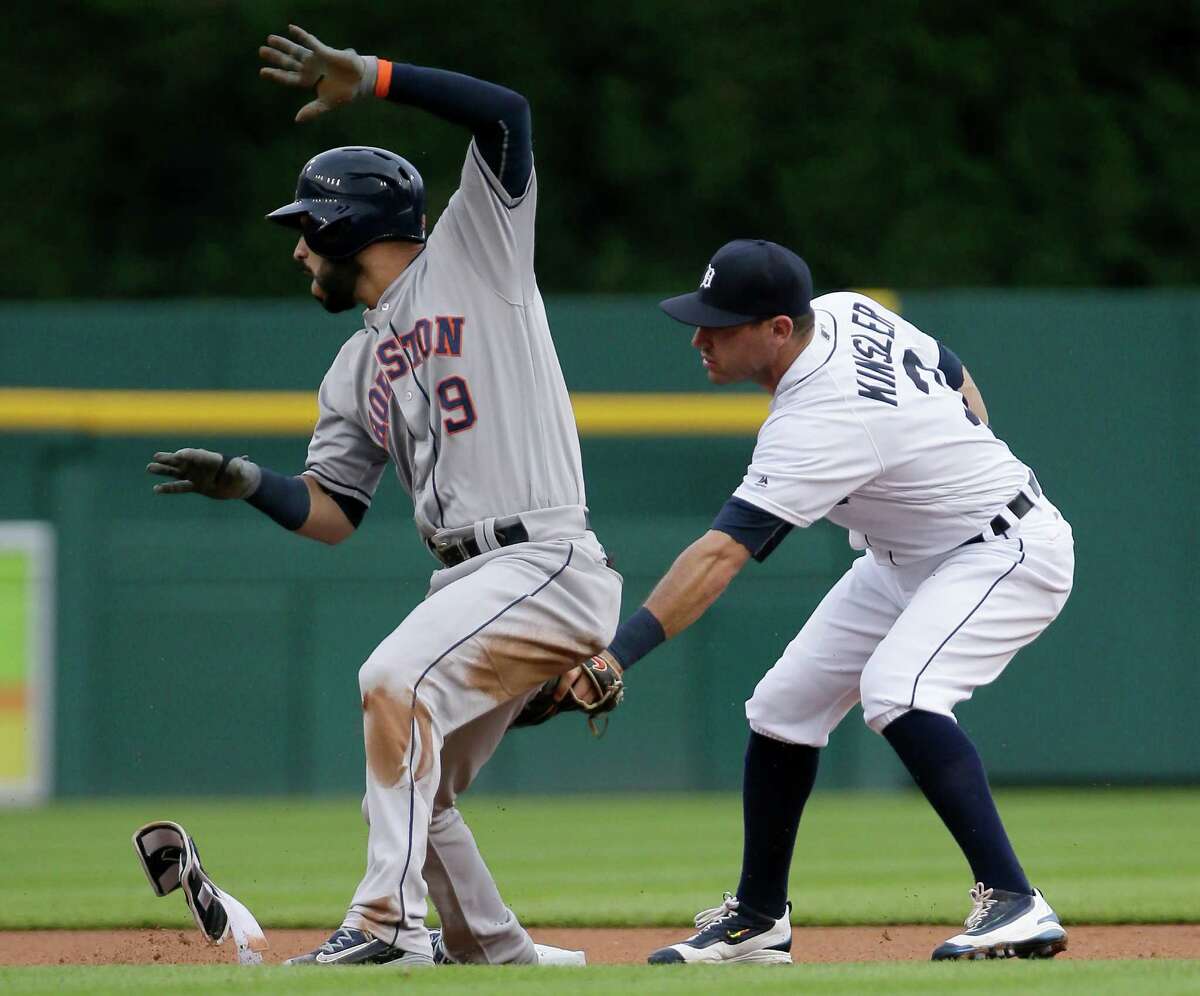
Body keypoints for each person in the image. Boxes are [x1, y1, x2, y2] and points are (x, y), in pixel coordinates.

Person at [146, 24, 621, 967]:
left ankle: (385, 925)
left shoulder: (476, 255)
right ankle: (496, 949)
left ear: (344, 228)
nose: (297, 254)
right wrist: (249, 484)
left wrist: (375, 78)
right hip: (469, 582)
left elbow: (507, 114)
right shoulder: (353, 365)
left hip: (545, 559)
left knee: (390, 681)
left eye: (304, 233)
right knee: (421, 782)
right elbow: (332, 515)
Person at [583, 239, 1074, 964]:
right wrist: (955, 452)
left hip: (1002, 548)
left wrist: (616, 656)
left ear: (779, 329)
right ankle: (758, 920)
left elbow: (719, 557)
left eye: (720, 323)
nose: (699, 337)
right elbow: (955, 372)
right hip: (909, 553)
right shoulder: (844, 308)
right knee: (783, 708)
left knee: (899, 690)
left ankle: (1015, 902)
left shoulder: (818, 418)